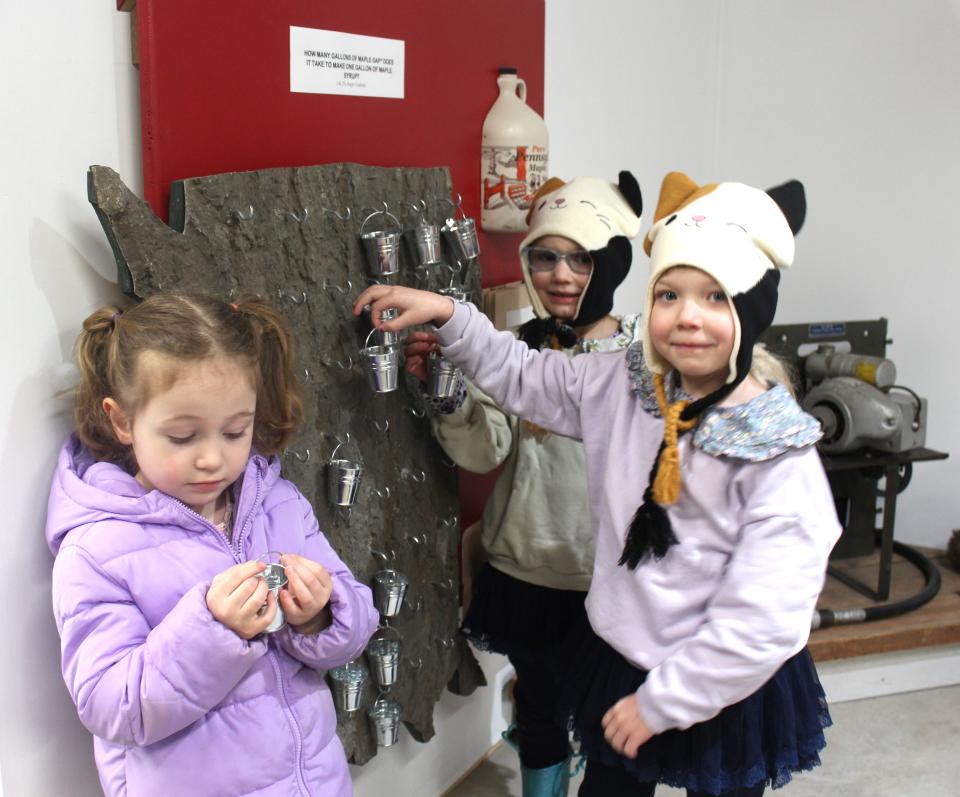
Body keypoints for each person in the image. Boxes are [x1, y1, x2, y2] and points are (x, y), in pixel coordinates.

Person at [354, 171, 841, 796]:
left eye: (715, 297)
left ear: (753, 305)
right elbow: (525, 376)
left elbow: (764, 616)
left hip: (725, 679)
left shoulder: (776, 454)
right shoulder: (621, 383)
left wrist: (664, 702)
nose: (688, 316)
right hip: (624, 654)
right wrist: (453, 316)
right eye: (669, 295)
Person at [46, 293, 379, 797]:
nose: (212, 460)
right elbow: (111, 706)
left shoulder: (278, 504)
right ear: (121, 422)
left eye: (235, 431)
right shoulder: (98, 550)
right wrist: (213, 631)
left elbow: (355, 623)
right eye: (182, 437)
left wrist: (318, 616)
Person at [405, 173, 643, 796]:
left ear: (611, 262)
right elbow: (486, 453)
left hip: (610, 579)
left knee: (610, 714)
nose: (561, 275)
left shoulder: (644, 359)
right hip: (529, 572)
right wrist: (449, 393)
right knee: (539, 706)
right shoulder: (509, 353)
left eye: (581, 258)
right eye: (545, 256)